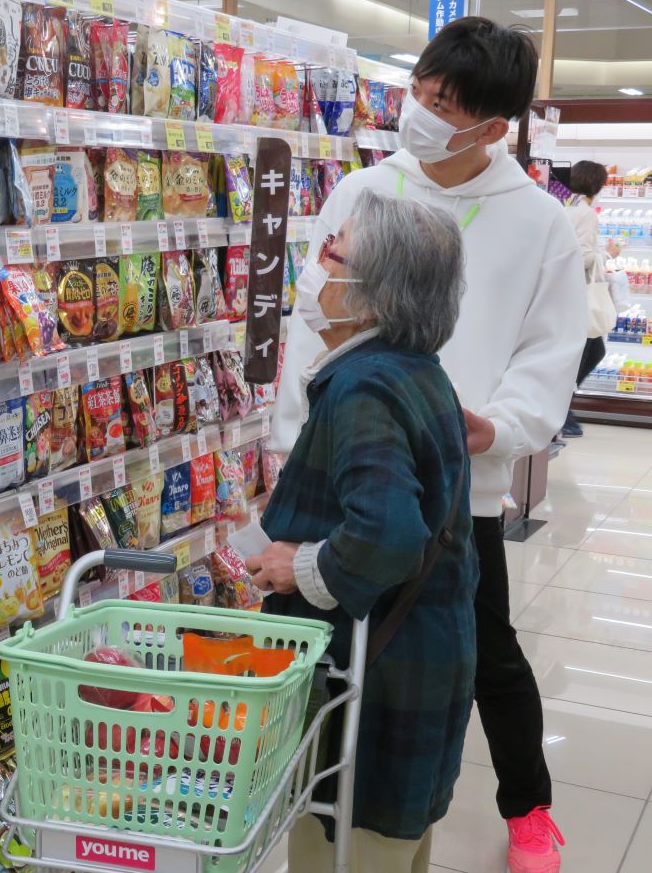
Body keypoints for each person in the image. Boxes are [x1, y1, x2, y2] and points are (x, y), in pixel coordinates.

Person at [268, 17, 583, 872]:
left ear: (493, 126)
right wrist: (292, 450)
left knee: (480, 653)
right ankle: (343, 802)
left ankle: (527, 807)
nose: (420, 112)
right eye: (421, 91)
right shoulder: (367, 191)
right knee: (337, 651)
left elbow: (550, 352)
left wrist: (499, 426)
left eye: (445, 104)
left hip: (458, 481)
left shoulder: (540, 224)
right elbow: (309, 319)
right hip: (347, 466)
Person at [249, 191, 476, 872]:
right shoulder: (416, 370)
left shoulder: (363, 387)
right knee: (396, 847)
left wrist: (298, 566)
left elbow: (388, 535)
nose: (314, 265)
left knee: (346, 848)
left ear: (374, 296)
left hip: (376, 680)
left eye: (332, 251)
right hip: (423, 652)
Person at [561, 160, 620, 438]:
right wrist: (608, 253)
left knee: (588, 351)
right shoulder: (585, 213)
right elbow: (582, 257)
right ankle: (561, 412)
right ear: (597, 184)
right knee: (589, 351)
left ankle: (563, 411)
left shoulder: (565, 205)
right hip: (580, 294)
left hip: (565, 292)